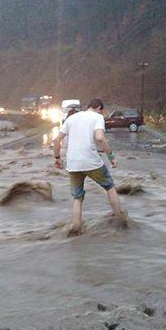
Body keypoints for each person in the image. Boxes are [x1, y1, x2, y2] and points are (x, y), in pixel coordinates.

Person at [53, 98, 124, 235]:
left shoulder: (71, 118)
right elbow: (100, 138)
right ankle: (120, 219)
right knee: (109, 187)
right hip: (91, 161)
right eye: (101, 112)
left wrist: (57, 159)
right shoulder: (97, 117)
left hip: (73, 163)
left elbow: (56, 140)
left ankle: (75, 228)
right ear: (98, 108)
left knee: (77, 197)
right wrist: (111, 157)